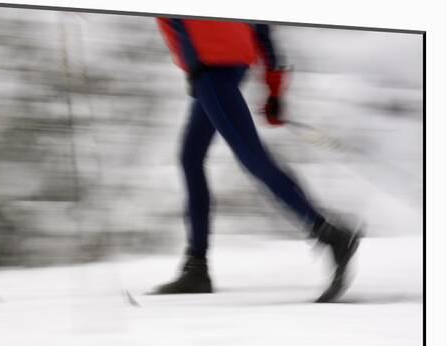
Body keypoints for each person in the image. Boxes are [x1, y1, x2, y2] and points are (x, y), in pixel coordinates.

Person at [154, 18, 362, 302]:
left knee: (251, 156)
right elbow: (261, 25)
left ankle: (330, 234)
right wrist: (274, 89)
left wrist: (196, 68)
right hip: (227, 64)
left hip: (209, 67)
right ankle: (196, 267)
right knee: (192, 158)